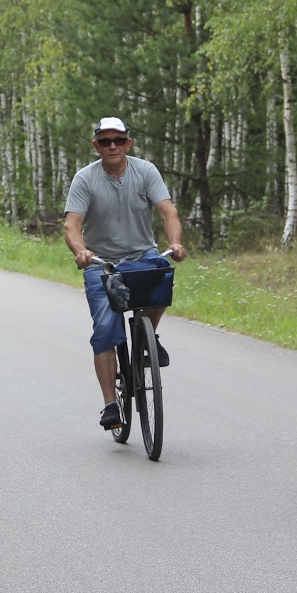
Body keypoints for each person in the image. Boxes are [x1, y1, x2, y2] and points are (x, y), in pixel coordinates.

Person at [63, 117, 187, 432]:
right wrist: (81, 251)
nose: (113, 146)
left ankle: (147, 335)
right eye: (105, 141)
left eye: (118, 140)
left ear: (128, 143)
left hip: (141, 255)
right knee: (105, 328)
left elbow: (168, 211)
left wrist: (174, 242)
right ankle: (109, 404)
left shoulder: (145, 171)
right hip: (101, 262)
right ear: (96, 146)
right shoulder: (85, 179)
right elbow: (71, 225)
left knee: (162, 272)